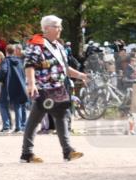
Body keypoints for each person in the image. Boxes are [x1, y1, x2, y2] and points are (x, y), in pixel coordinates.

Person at [20, 15, 90, 163]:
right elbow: (29, 65)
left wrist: (81, 75)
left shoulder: (58, 46)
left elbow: (64, 68)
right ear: (46, 28)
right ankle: (27, 153)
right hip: (43, 89)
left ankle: (67, 151)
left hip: (58, 88)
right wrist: (31, 84)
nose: (60, 29)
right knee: (34, 121)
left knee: (62, 118)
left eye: (60, 26)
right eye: (57, 26)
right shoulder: (37, 44)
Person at [0, 44, 28, 133]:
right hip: (19, 86)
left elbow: (3, 71)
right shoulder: (19, 61)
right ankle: (18, 127)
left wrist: (0, 79)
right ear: (14, 51)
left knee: (2, 105)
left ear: (6, 51)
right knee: (17, 106)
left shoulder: (5, 61)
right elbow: (23, 73)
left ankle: (6, 127)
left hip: (7, 86)